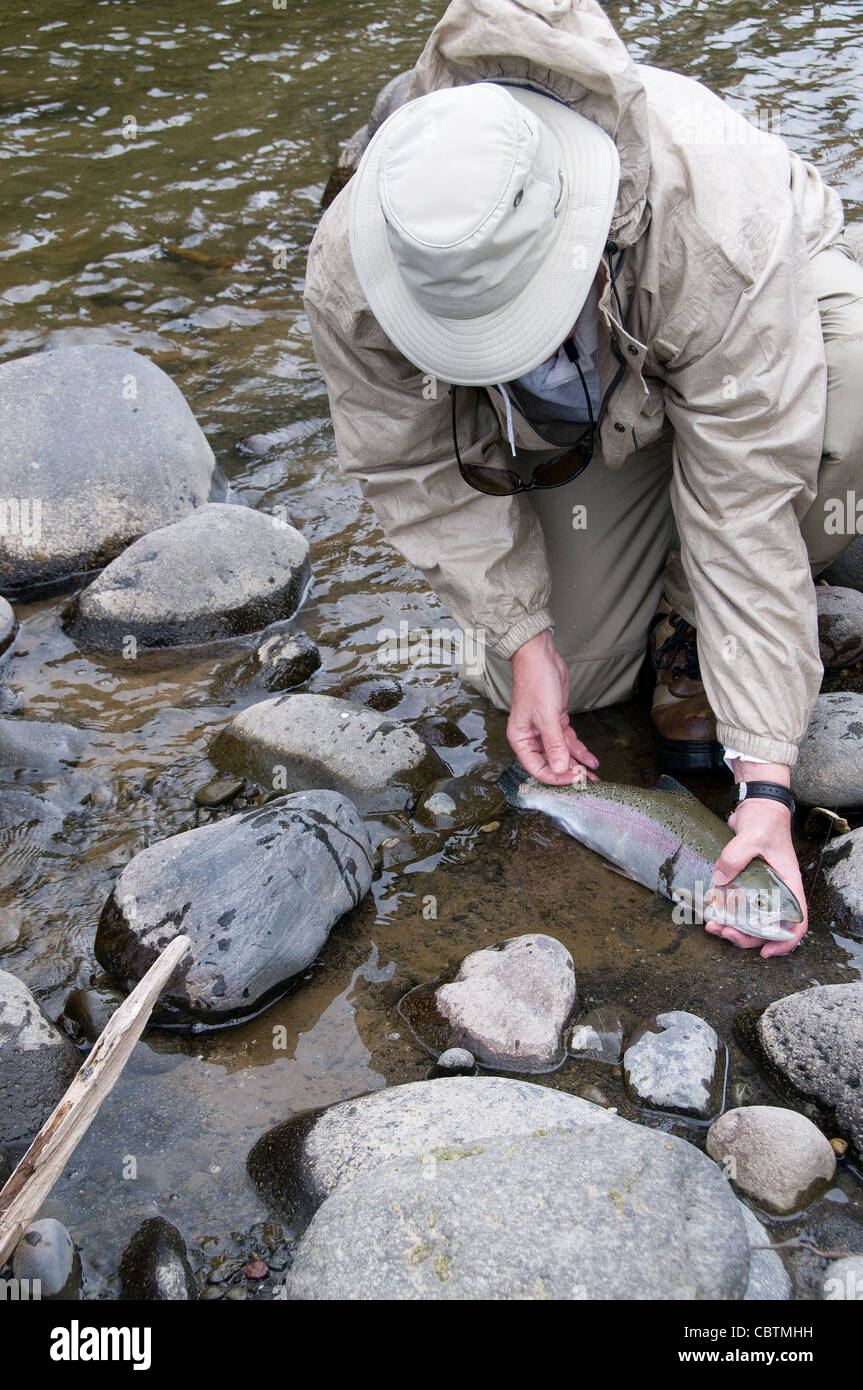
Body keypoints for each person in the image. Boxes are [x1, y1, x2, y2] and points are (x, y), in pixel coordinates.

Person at [303, 0, 863, 957]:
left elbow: (746, 505)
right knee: (579, 685)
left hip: (754, 324)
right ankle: (622, 593)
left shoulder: (711, 218)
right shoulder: (361, 261)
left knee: (846, 410)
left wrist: (764, 781)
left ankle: (689, 621)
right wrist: (522, 638)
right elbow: (408, 466)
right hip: (593, 402)